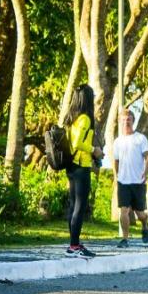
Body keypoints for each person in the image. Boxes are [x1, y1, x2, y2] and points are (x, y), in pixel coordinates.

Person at [64, 85, 104, 258]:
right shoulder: (85, 119)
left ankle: (74, 244)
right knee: (79, 206)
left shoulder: (72, 118)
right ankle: (74, 247)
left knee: (74, 205)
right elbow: (78, 143)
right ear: (87, 99)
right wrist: (94, 150)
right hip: (81, 166)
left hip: (71, 166)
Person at [112, 109, 148, 247]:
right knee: (124, 210)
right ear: (120, 122)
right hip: (123, 181)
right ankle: (125, 239)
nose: (126, 122)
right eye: (123, 120)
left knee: (140, 214)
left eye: (128, 119)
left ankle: (145, 223)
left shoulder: (140, 138)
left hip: (138, 181)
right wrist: (117, 175)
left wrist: (145, 173)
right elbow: (116, 161)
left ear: (132, 121)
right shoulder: (117, 141)